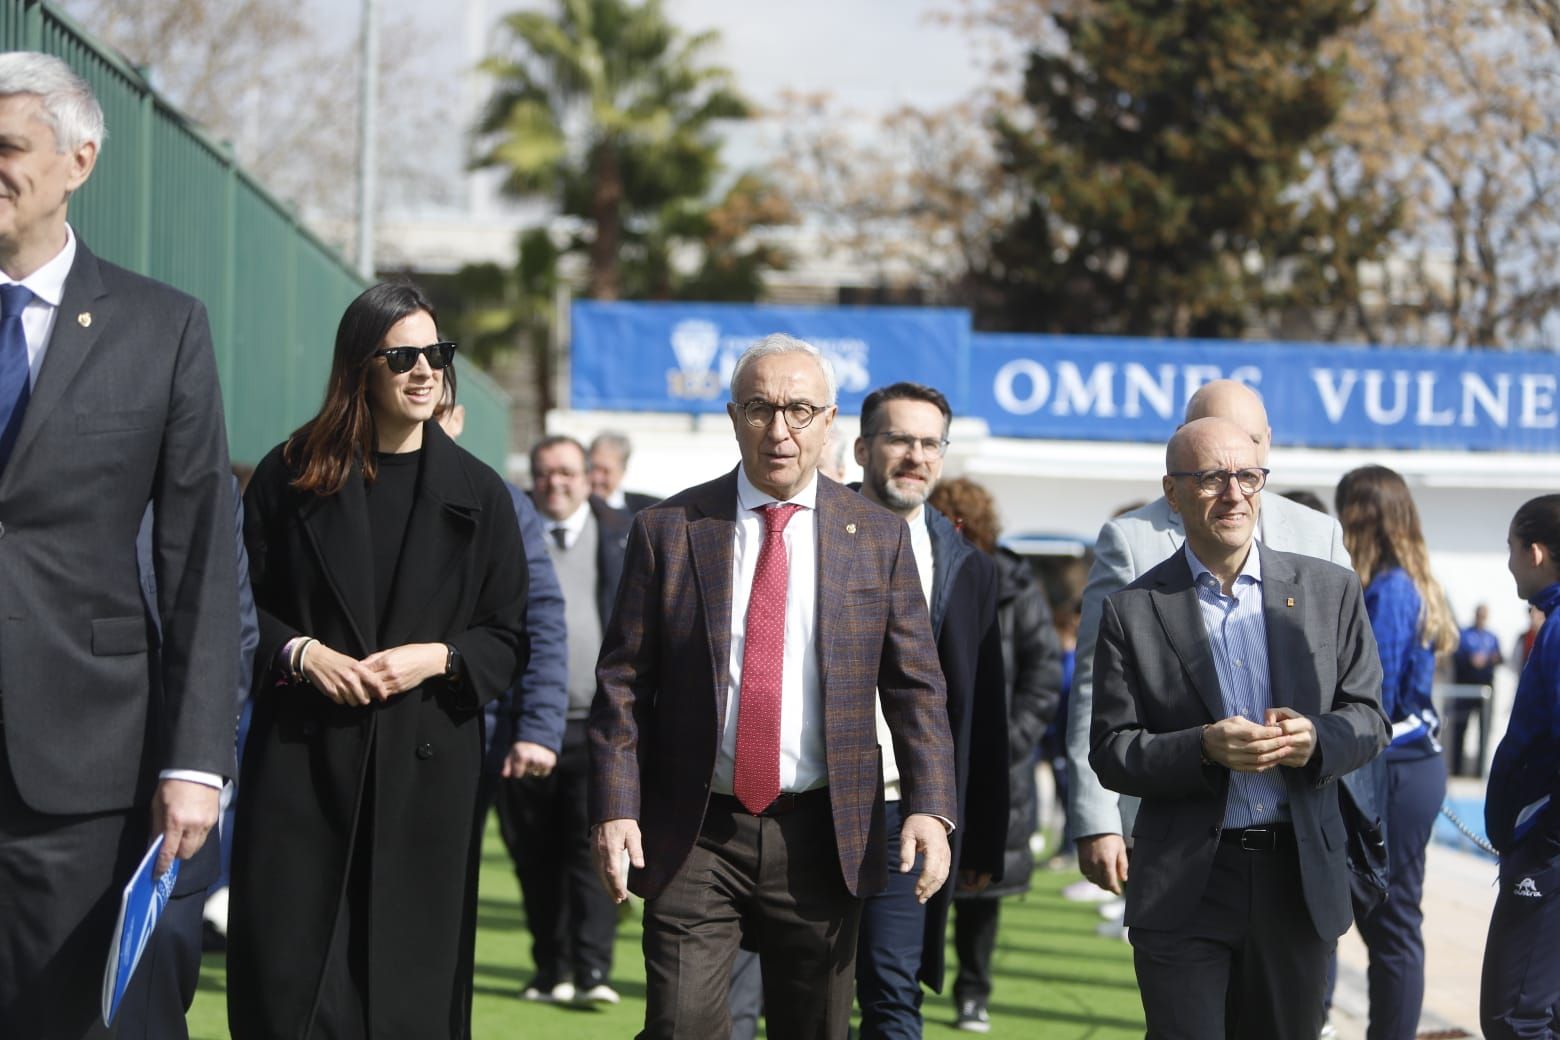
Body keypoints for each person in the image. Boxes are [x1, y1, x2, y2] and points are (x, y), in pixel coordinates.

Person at [589, 333, 958, 1039]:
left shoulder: (877, 538)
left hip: (826, 831)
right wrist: (614, 807)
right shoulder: (668, 530)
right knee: (679, 1025)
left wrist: (930, 806)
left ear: (829, 422)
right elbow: (623, 684)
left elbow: (917, 688)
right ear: (734, 418)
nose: (779, 430)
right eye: (760, 409)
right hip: (696, 829)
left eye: (799, 410)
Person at [0, 53, 241, 1040]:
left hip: (83, 768)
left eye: (7, 146)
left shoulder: (162, 328)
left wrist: (197, 761)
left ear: (80, 160)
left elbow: (200, 559)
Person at [227, 283, 530, 1038]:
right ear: (361, 366)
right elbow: (233, 608)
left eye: (437, 353)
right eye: (403, 357)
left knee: (407, 999)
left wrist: (440, 658)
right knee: (291, 989)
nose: (425, 371)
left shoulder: (481, 494)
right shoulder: (288, 475)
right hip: (301, 768)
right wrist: (301, 653)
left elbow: (507, 636)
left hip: (424, 781)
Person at [1091, 417, 1388, 1039]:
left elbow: (1369, 718)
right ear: (1173, 493)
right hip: (1185, 883)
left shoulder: (1330, 590)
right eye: (1211, 479)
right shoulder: (1132, 609)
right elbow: (1112, 750)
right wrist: (1202, 747)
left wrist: (1316, 739)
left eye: (1248, 477)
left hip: (1295, 878)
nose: (1234, 494)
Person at [1066, 380, 1353, 901]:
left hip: (1302, 842)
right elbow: (1094, 687)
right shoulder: (1132, 539)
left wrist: (1319, 743)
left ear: (1268, 442)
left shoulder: (1319, 534)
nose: (1233, 466)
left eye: (1249, 442)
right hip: (1178, 835)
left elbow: (1356, 693)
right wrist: (1096, 818)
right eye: (1212, 450)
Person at [850, 385, 1010, 1039]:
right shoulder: (803, 536)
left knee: (893, 993)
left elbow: (984, 708)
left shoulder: (969, 566)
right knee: (800, 993)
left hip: (907, 812)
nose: (915, 456)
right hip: (801, 804)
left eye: (929, 443)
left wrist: (982, 838)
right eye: (899, 439)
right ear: (862, 448)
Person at [115, 477, 258, 1040]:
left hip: (168, 795)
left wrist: (200, 766)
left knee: (144, 1011)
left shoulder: (204, 487)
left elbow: (233, 630)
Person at [497, 434, 630, 1006]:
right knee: (532, 853)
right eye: (545, 472)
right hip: (523, 725)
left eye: (567, 472)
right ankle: (550, 969)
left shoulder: (622, 534)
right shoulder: (507, 533)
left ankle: (593, 969)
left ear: (588, 477)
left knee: (591, 850)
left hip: (598, 726)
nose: (556, 482)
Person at [928, 477, 1062, 1035]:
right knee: (913, 882)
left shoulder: (1013, 581)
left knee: (982, 888)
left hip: (993, 764)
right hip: (927, 758)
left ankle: (973, 992)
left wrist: (1008, 740)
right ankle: (898, 989)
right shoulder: (918, 569)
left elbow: (1043, 670)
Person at [1335, 465, 1458, 1040]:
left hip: (1398, 768)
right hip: (1406, 765)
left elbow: (1370, 695)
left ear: (1360, 515)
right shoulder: (1408, 581)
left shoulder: (1390, 589)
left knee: (1391, 922)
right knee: (1386, 921)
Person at [1481, 494, 1560, 1039]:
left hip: (1546, 851)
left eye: (1511, 549)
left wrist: (1545, 840)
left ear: (1535, 552)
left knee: (1515, 1018)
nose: (1509, 563)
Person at [1448, 604, 1502, 776]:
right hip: (1465, 690)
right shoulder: (1465, 634)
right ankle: (1457, 768)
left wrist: (1489, 659)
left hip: (1485, 692)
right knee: (1460, 729)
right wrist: (1471, 660)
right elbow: (1456, 655)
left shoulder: (1492, 637)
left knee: (1484, 731)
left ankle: (1480, 770)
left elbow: (1500, 657)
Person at [588, 430, 659, 512]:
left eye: (606, 471)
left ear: (622, 472)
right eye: (592, 468)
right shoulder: (577, 508)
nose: (596, 478)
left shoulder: (648, 511)